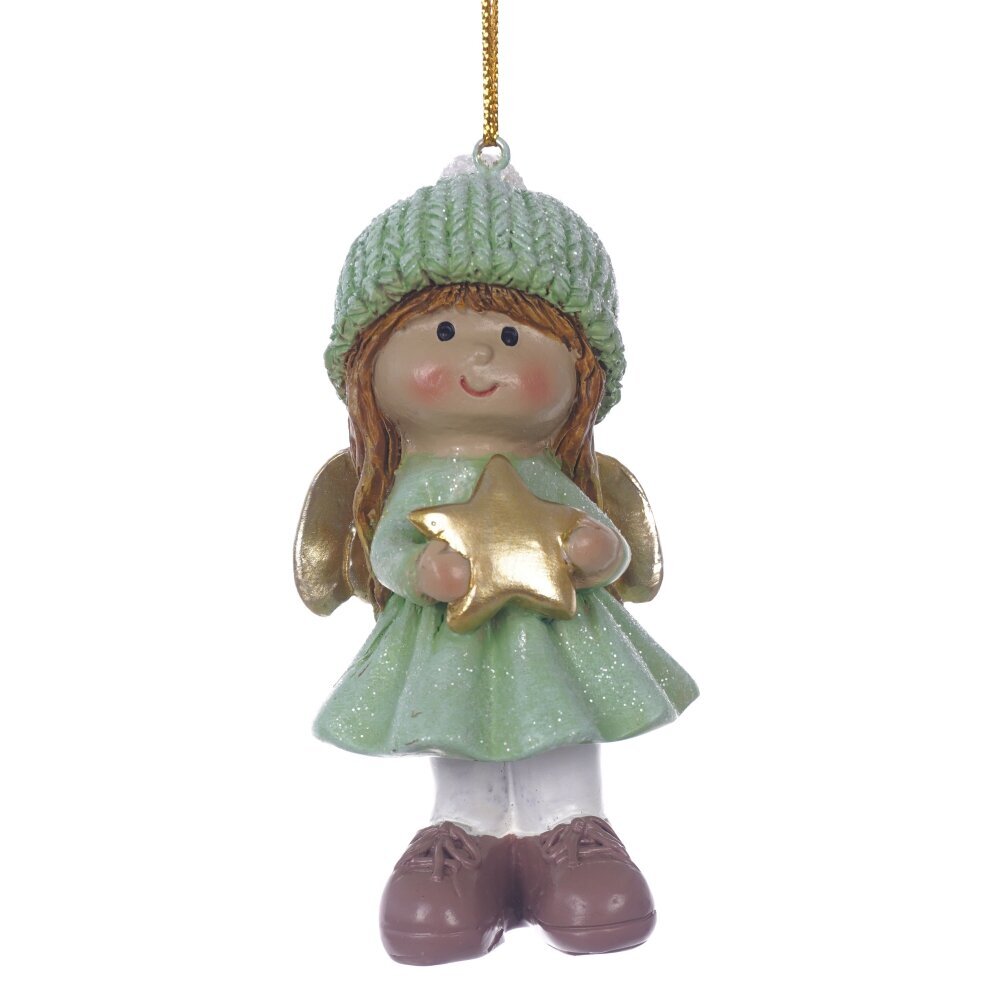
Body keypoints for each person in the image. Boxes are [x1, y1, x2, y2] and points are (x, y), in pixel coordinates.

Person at [295, 154, 698, 965]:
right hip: (449, 640)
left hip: (557, 636)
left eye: (513, 336)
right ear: (371, 364)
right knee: (456, 733)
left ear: (581, 372)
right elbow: (390, 544)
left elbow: (602, 539)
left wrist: (595, 547)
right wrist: (422, 570)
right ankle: (464, 836)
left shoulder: (552, 473)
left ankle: (571, 832)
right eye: (444, 332)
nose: (481, 359)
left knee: (562, 723)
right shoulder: (413, 479)